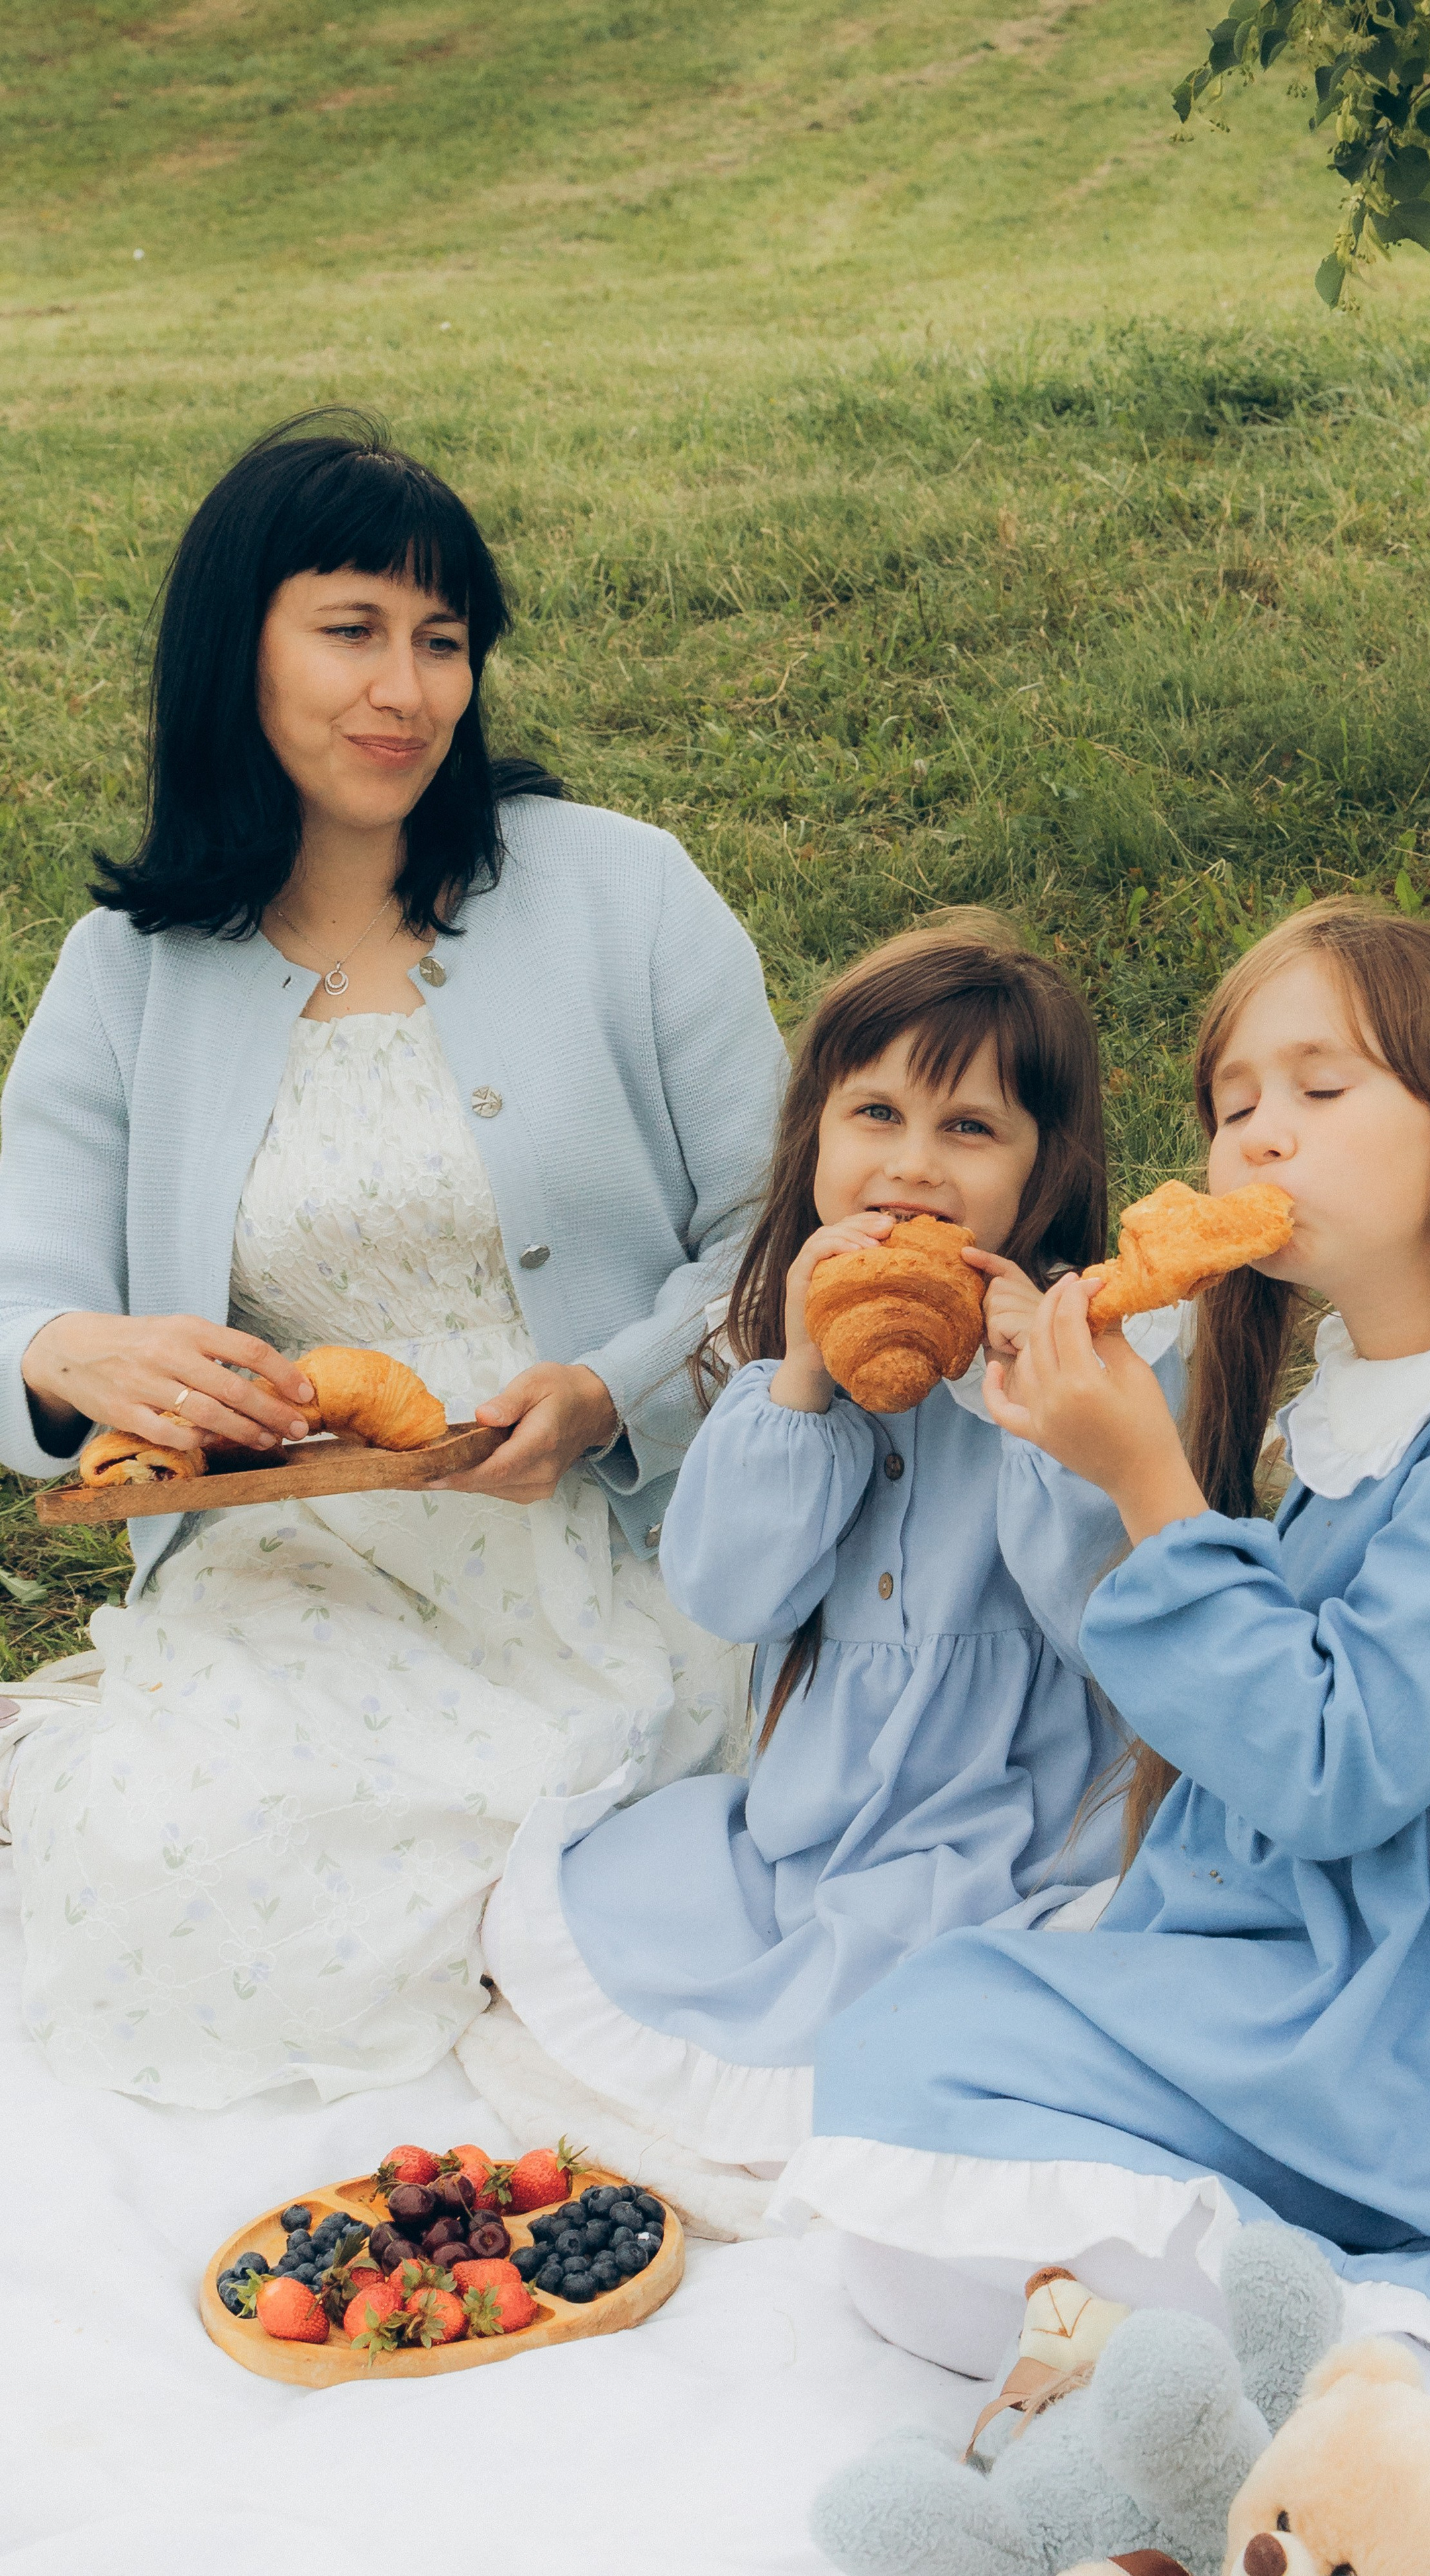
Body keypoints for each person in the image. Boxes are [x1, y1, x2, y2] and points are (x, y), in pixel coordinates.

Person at [771, 896, 1430, 2457]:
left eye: (1319, 1090)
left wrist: (1153, 1491)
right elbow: (1235, 1712)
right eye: (1230, 1105)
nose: (1259, 1139)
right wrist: (1100, 1462)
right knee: (906, 2056)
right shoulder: (1356, 1399)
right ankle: (1316, 2317)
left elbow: (1335, 1766)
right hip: (1351, 1957)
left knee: (919, 2113)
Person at [0, 413, 786, 2106]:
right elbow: (16, 1285)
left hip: (601, 1548)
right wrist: (68, 1354)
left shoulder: (623, 894)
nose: (406, 689)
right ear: (240, 647)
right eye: (351, 629)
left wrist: (612, 1393)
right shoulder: (130, 971)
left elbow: (779, 1239)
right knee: (177, 1876)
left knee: (576, 1898)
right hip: (290, 1574)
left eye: (443, 642)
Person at [482, 916, 1190, 2178]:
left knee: (958, 2001)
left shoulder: (1103, 1353)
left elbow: (1113, 1619)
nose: (911, 1167)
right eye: (874, 1115)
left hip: (1026, 1813)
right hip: (820, 1811)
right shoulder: (789, 1351)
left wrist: (1033, 1401)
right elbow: (728, 1591)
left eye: (970, 1129)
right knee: (641, 1902)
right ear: (812, 1135)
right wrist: (804, 1377)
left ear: (1046, 1166)